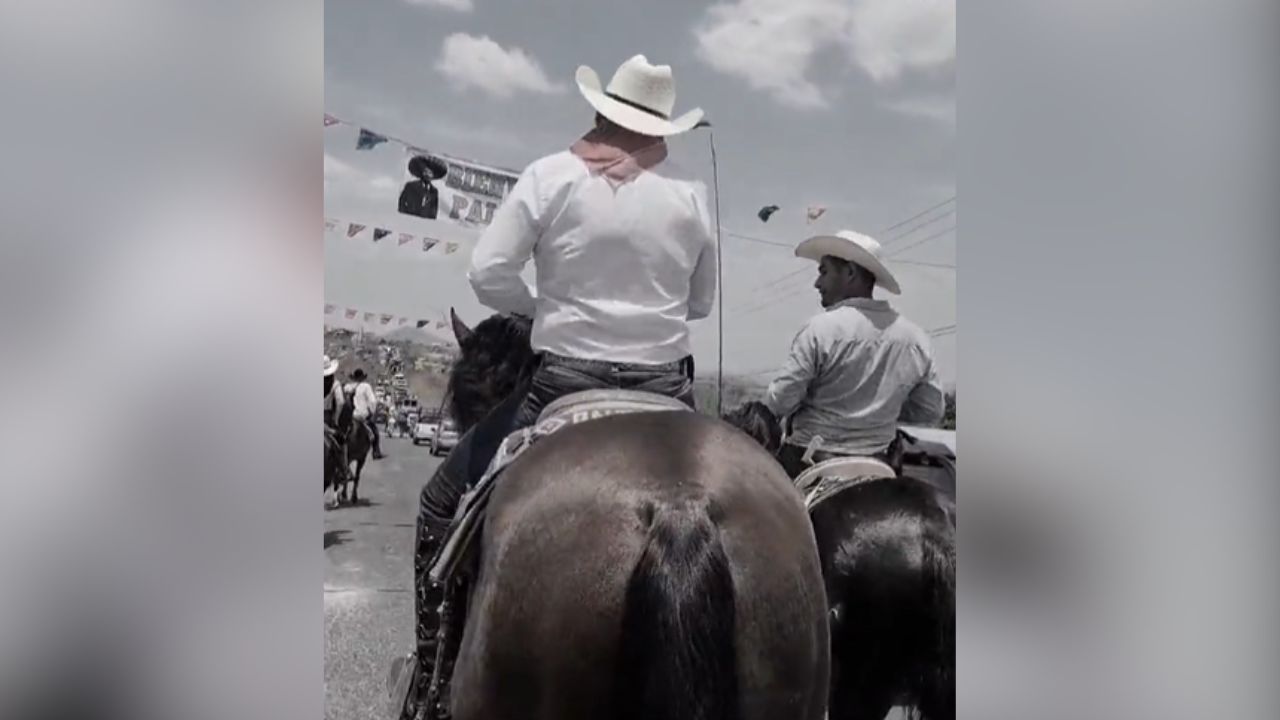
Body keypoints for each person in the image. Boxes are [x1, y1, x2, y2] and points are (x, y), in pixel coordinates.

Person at [404, 53, 715, 713]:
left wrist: (540, 310)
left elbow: (488, 273)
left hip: (563, 383)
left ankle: (429, 686)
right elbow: (701, 304)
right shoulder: (690, 194)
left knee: (438, 504)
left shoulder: (549, 176)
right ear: (662, 126)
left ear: (600, 110)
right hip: (668, 392)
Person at [764, 229, 945, 478]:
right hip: (881, 462)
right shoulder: (915, 338)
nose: (817, 283)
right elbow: (930, 411)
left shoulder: (820, 329)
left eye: (824, 272)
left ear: (850, 272)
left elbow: (780, 401)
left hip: (810, 459)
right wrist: (882, 411)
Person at [348, 368, 385, 459]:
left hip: (350, 414)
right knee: (375, 432)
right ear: (363, 377)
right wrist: (371, 412)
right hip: (362, 415)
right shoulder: (366, 386)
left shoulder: (348, 387)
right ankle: (376, 451)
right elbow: (372, 401)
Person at [398, 155, 449, 220]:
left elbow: (433, 210)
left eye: (430, 173)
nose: (427, 175)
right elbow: (402, 202)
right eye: (425, 172)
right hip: (408, 218)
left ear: (433, 176)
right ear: (422, 173)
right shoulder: (410, 185)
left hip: (424, 222)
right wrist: (404, 215)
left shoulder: (434, 191)